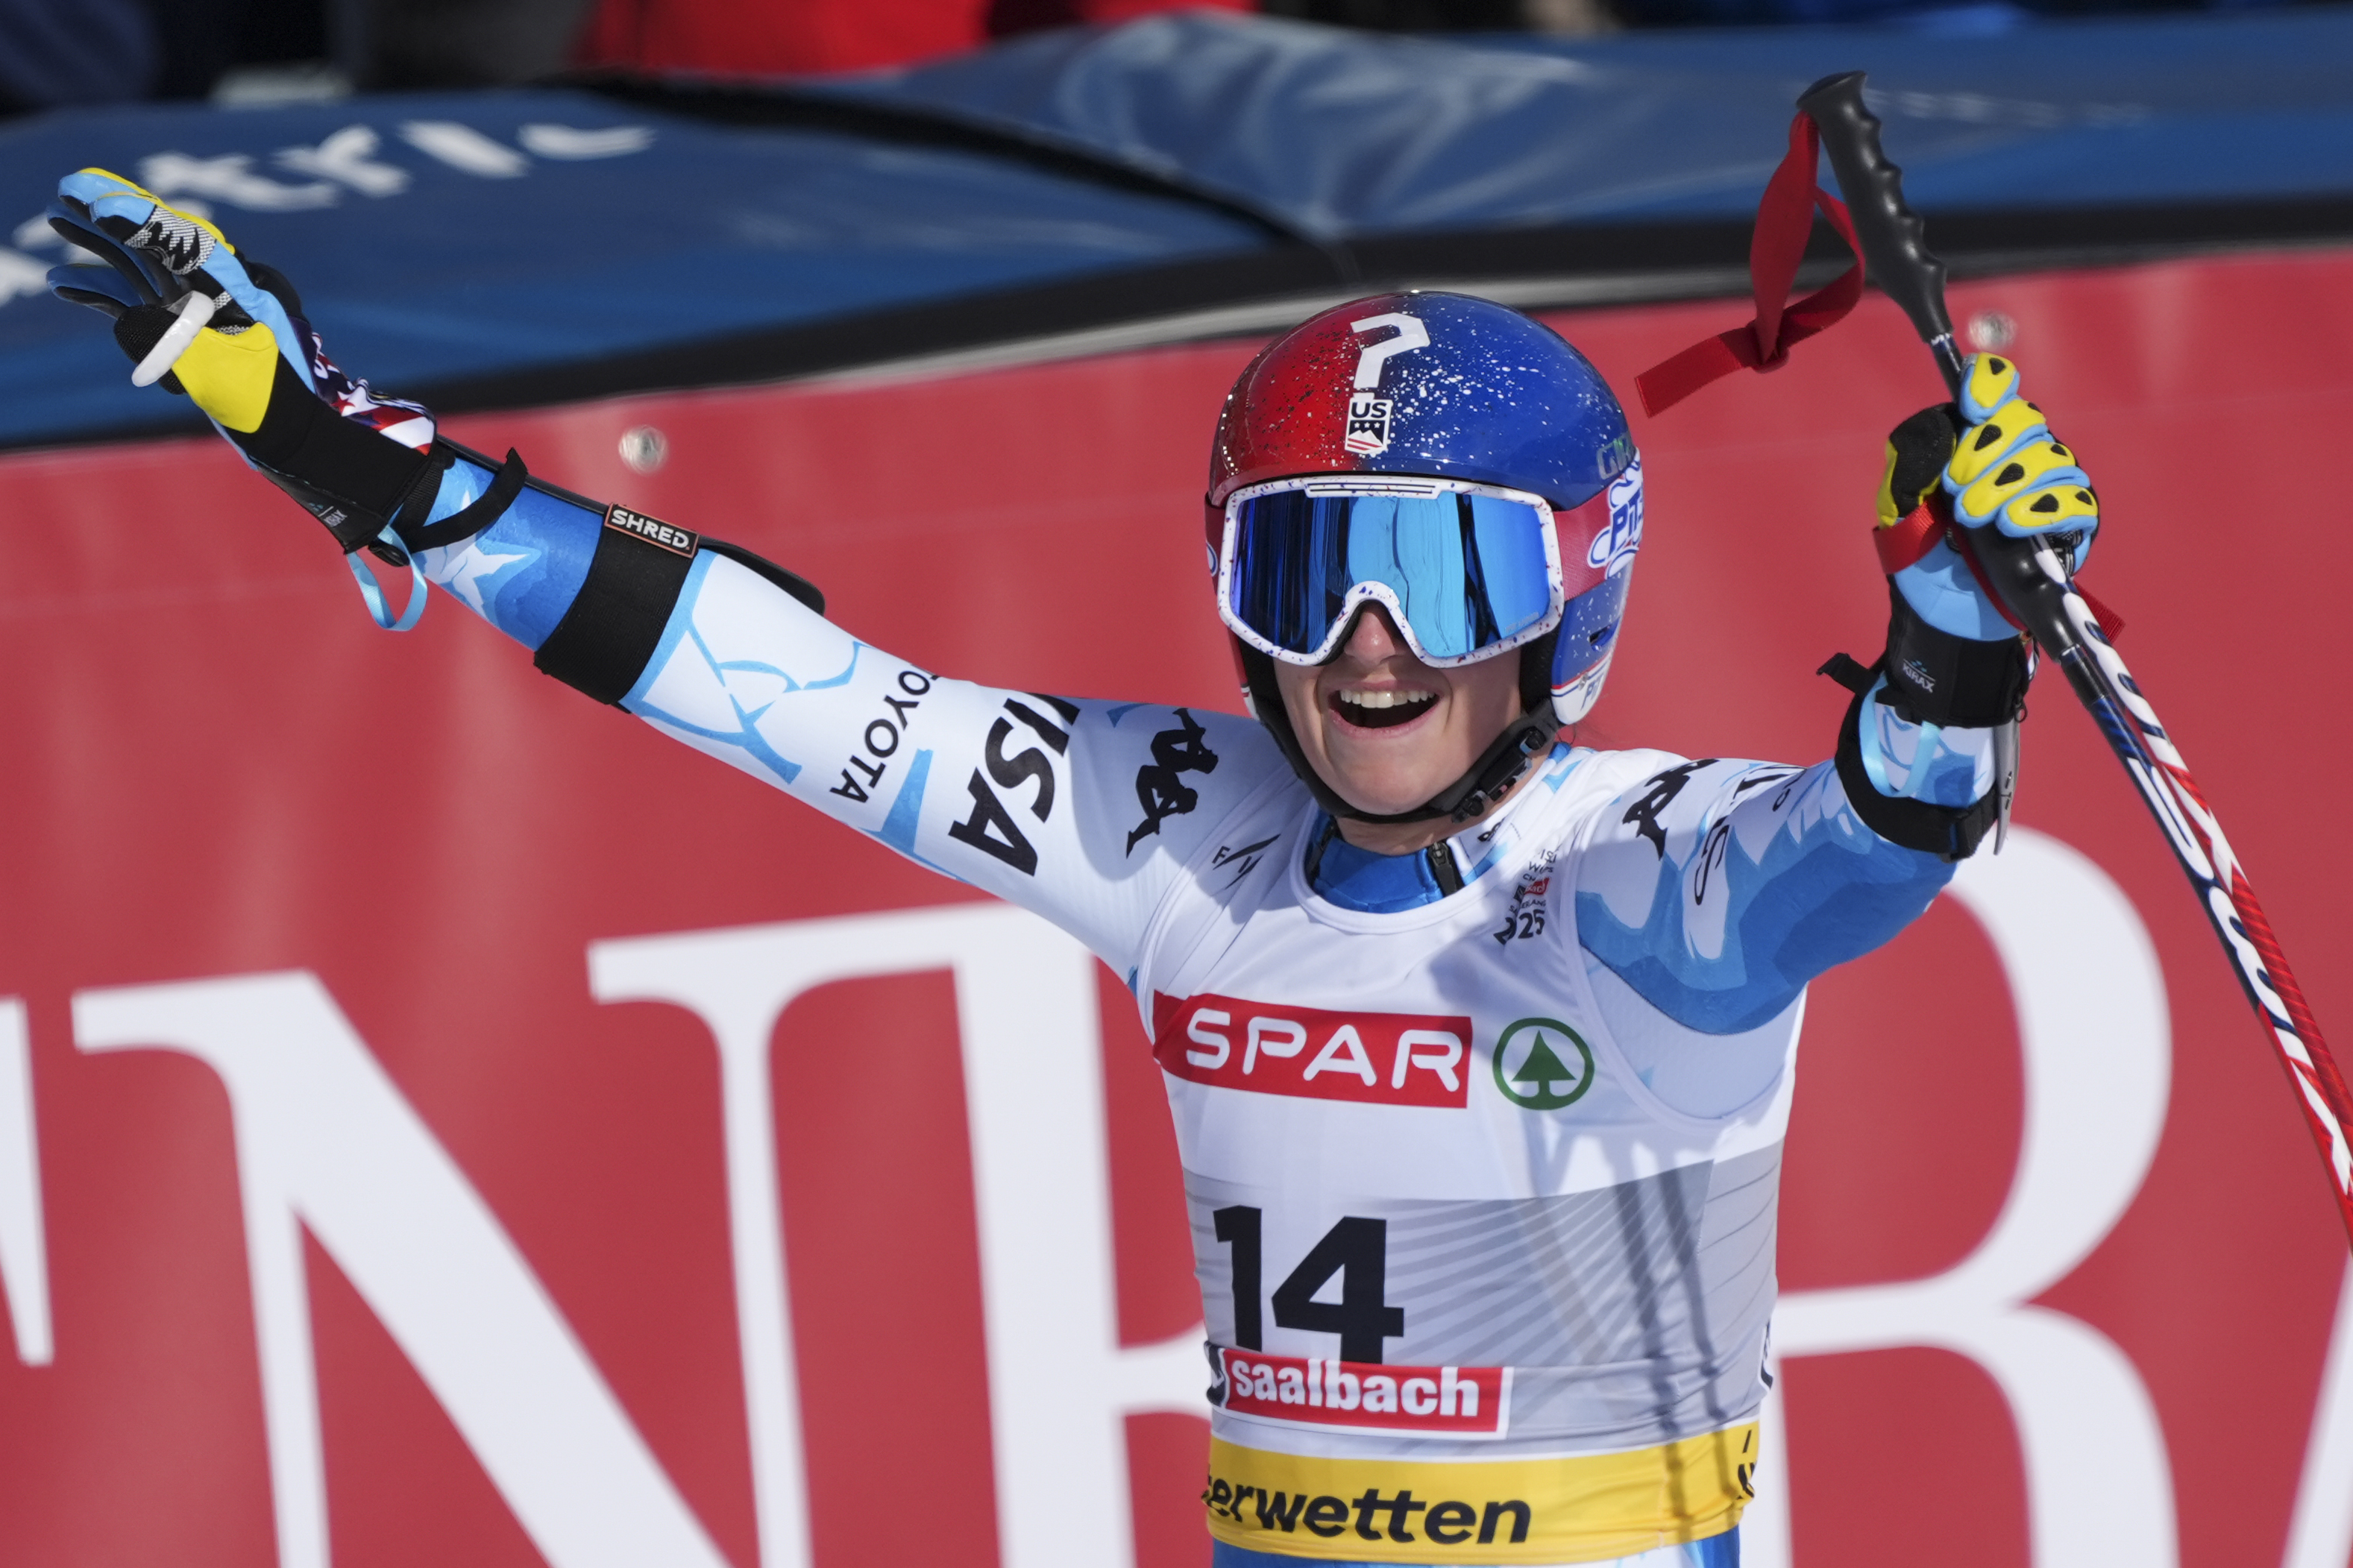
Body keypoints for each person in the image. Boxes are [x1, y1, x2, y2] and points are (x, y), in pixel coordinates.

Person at [47, 169, 2098, 1567]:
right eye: (1303, 568)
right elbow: (772, 681)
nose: (1362, 645)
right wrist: (363, 467)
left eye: (1435, 571)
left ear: (1567, 606)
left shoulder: (1637, 881)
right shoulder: (1168, 826)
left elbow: (1872, 839)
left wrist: (1949, 643)